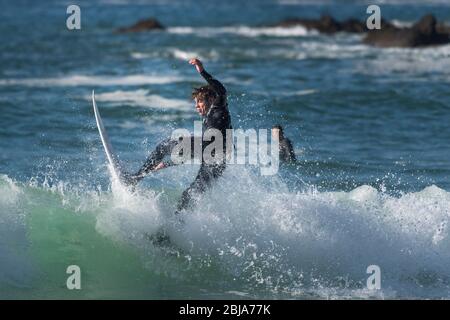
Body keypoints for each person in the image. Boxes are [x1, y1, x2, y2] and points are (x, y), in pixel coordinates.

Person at [126, 58, 232, 215]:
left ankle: (134, 179)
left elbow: (221, 91)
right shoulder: (208, 118)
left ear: (210, 99)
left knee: (166, 147)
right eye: (195, 103)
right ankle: (177, 225)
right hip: (217, 160)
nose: (196, 106)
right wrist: (169, 163)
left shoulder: (218, 107)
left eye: (199, 102)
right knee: (190, 195)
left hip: (215, 157)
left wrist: (202, 71)